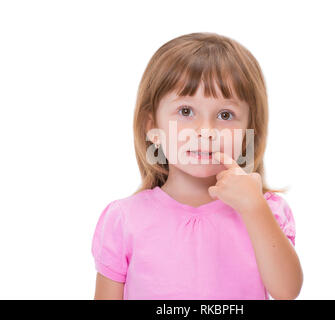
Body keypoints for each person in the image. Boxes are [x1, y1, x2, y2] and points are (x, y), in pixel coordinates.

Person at [91, 32, 303, 300]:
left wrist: (254, 209)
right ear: (152, 127)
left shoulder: (266, 210)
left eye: (225, 115)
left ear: (249, 132)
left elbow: (287, 291)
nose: (205, 130)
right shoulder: (124, 219)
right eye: (186, 111)